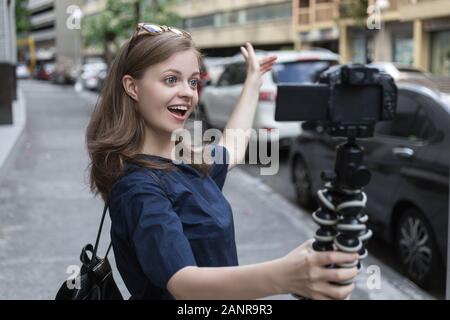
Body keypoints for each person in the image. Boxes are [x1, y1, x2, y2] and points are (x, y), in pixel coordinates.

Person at [86, 23, 359, 300]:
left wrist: (253, 80)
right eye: (171, 80)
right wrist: (285, 276)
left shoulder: (184, 159)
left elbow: (232, 146)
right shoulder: (138, 187)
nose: (188, 92)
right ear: (132, 87)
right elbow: (183, 282)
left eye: (193, 81)